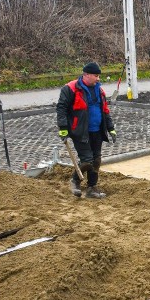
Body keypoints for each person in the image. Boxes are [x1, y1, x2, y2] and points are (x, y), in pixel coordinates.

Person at [56, 62, 117, 198]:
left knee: (96, 160)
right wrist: (63, 128)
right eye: (96, 76)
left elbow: (105, 110)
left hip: (97, 131)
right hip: (80, 131)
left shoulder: (99, 90)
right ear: (86, 75)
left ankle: (92, 188)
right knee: (87, 160)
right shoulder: (70, 88)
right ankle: (74, 181)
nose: (98, 78)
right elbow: (61, 108)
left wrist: (111, 128)